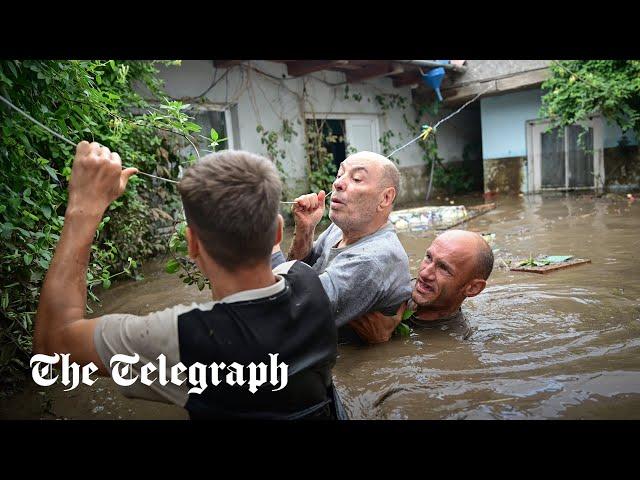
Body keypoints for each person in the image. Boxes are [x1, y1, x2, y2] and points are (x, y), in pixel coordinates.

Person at [34, 142, 341, 419]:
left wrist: (83, 206)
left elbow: (52, 345)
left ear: (191, 245)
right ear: (277, 232)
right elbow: (282, 269)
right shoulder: (311, 283)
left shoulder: (182, 338)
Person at [271, 151, 412, 343]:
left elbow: (289, 312)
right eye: (339, 175)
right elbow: (300, 271)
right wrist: (305, 230)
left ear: (385, 198)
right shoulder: (340, 229)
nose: (337, 184)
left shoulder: (374, 258)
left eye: (356, 178)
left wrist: (269, 244)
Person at [350, 229, 494, 343]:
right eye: (428, 257)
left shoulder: (454, 341)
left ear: (473, 288)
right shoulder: (395, 286)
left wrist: (379, 342)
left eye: (444, 268)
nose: (425, 273)